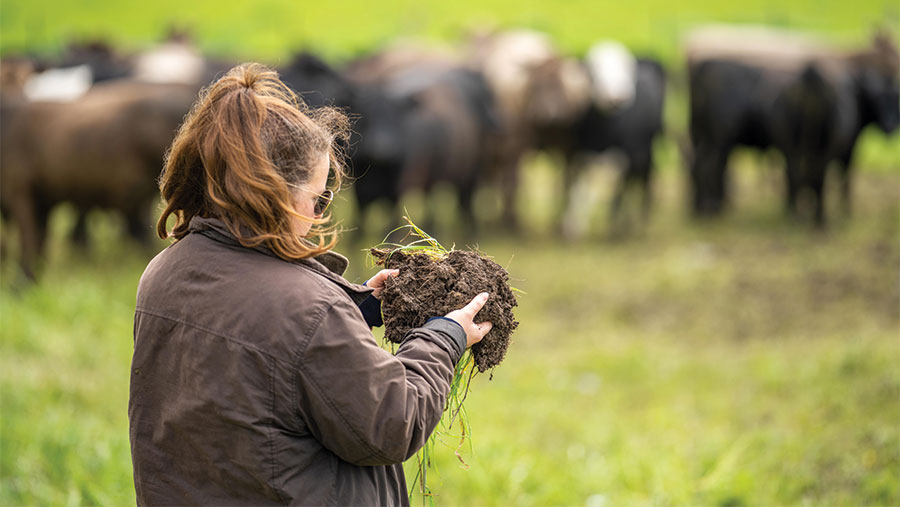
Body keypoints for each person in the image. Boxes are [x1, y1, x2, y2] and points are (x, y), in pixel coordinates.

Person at [129, 62, 493, 505]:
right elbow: (391, 424)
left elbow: (256, 352)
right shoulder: (308, 312)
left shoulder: (164, 272)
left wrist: (354, 305)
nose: (321, 214)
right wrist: (445, 336)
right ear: (272, 191)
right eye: (318, 198)